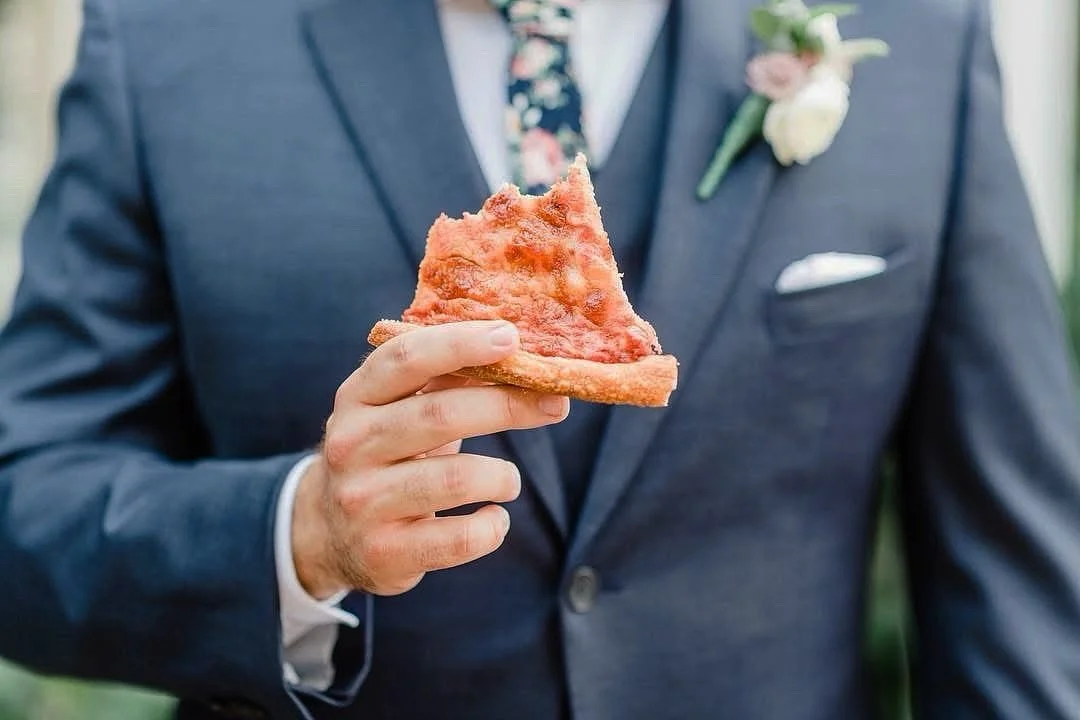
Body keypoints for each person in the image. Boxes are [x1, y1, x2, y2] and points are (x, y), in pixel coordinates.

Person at [2, 0, 1080, 718]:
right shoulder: (167, 40)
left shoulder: (923, 32)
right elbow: (22, 508)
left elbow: (1017, 578)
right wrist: (297, 538)